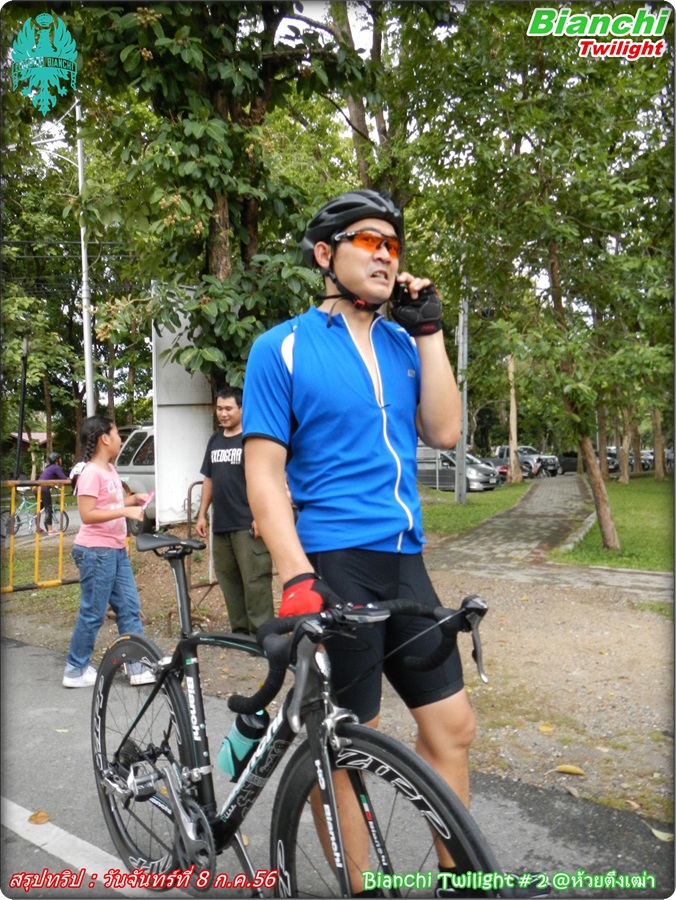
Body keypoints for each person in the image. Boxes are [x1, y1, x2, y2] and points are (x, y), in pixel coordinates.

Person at [242, 189, 472, 896]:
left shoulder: (405, 344)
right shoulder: (281, 346)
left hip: (405, 559)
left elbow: (445, 431)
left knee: (453, 727)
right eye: (368, 240)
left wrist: (430, 331)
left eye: (392, 245)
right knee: (345, 744)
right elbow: (264, 473)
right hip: (334, 561)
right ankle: (362, 887)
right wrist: (294, 574)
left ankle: (461, 882)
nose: (384, 254)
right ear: (325, 254)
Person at [63, 415, 152, 689]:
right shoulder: (90, 473)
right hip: (95, 552)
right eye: (116, 434)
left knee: (129, 608)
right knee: (93, 612)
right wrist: (126, 511)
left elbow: (109, 504)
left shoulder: (110, 470)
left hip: (115, 550)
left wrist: (132, 500)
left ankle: (136, 667)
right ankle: (75, 669)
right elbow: (88, 514)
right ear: (104, 439)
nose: (120, 440)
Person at [195, 387, 274, 635]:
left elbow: (263, 480)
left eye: (228, 408)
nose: (223, 413)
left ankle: (263, 635)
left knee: (255, 581)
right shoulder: (215, 440)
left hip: (247, 523)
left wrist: (260, 516)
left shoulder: (251, 439)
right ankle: (240, 634)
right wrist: (202, 514)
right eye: (219, 408)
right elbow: (209, 478)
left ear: (241, 408)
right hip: (222, 524)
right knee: (229, 581)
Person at [37, 452, 68, 534]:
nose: (61, 460)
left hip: (37, 488)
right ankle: (50, 530)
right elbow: (64, 478)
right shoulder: (56, 467)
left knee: (39, 508)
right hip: (44, 489)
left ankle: (38, 527)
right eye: (60, 458)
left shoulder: (49, 467)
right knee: (48, 508)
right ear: (56, 460)